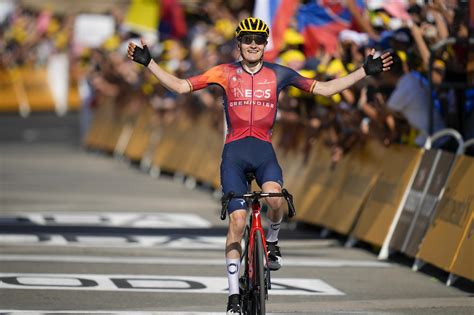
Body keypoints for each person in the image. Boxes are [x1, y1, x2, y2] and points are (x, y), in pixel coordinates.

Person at [128, 17, 392, 315]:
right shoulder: (223, 73)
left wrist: (363, 72)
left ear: (265, 45)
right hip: (234, 155)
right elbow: (179, 86)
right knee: (238, 222)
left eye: (259, 40)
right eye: (247, 39)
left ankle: (274, 239)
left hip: (264, 152)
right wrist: (149, 63)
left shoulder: (279, 74)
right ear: (238, 44)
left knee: (276, 198)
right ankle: (232, 295)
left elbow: (326, 90)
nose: (253, 45)